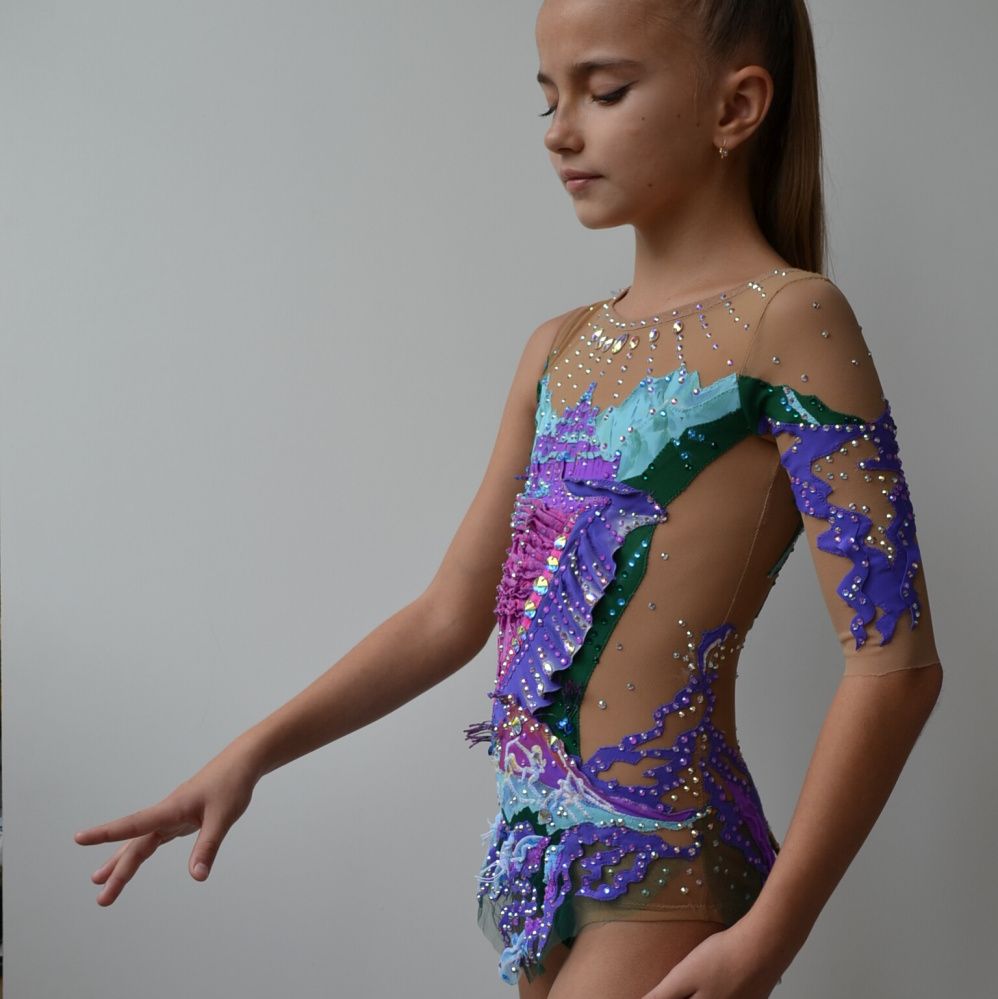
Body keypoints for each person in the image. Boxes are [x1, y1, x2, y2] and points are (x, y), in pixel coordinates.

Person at [75, 1, 945, 996]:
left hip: (669, 864)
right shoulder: (558, 348)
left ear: (735, 106)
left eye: (603, 91)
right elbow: (451, 613)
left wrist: (772, 934)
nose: (559, 131)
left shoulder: (788, 320)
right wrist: (251, 754)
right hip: (528, 870)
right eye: (547, 99)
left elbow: (896, 668)